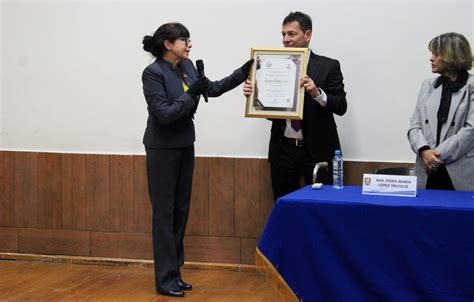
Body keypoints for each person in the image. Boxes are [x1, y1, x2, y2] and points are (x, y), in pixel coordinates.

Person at [141, 22, 253, 297]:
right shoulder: (153, 73)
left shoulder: (187, 67)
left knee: (180, 211)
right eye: (184, 40)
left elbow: (211, 89)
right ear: (168, 44)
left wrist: (243, 72)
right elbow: (164, 114)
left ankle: (175, 272)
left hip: (184, 145)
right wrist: (192, 93)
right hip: (162, 149)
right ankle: (164, 279)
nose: (189, 45)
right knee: (164, 214)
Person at [243, 11, 347, 202]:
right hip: (283, 151)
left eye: (291, 34)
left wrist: (317, 94)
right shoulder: (271, 65)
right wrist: (256, 97)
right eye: (283, 34)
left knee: (321, 208)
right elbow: (271, 113)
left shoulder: (328, 66)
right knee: (285, 207)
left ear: (307, 35)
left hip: (317, 151)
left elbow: (341, 106)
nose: (285, 39)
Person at [408, 32, 474, 191]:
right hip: (427, 171)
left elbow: (471, 130)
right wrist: (424, 150)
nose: (431, 58)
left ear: (452, 56)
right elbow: (414, 125)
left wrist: (434, 156)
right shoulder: (427, 85)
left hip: (459, 173)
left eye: (437, 54)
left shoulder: (471, 86)